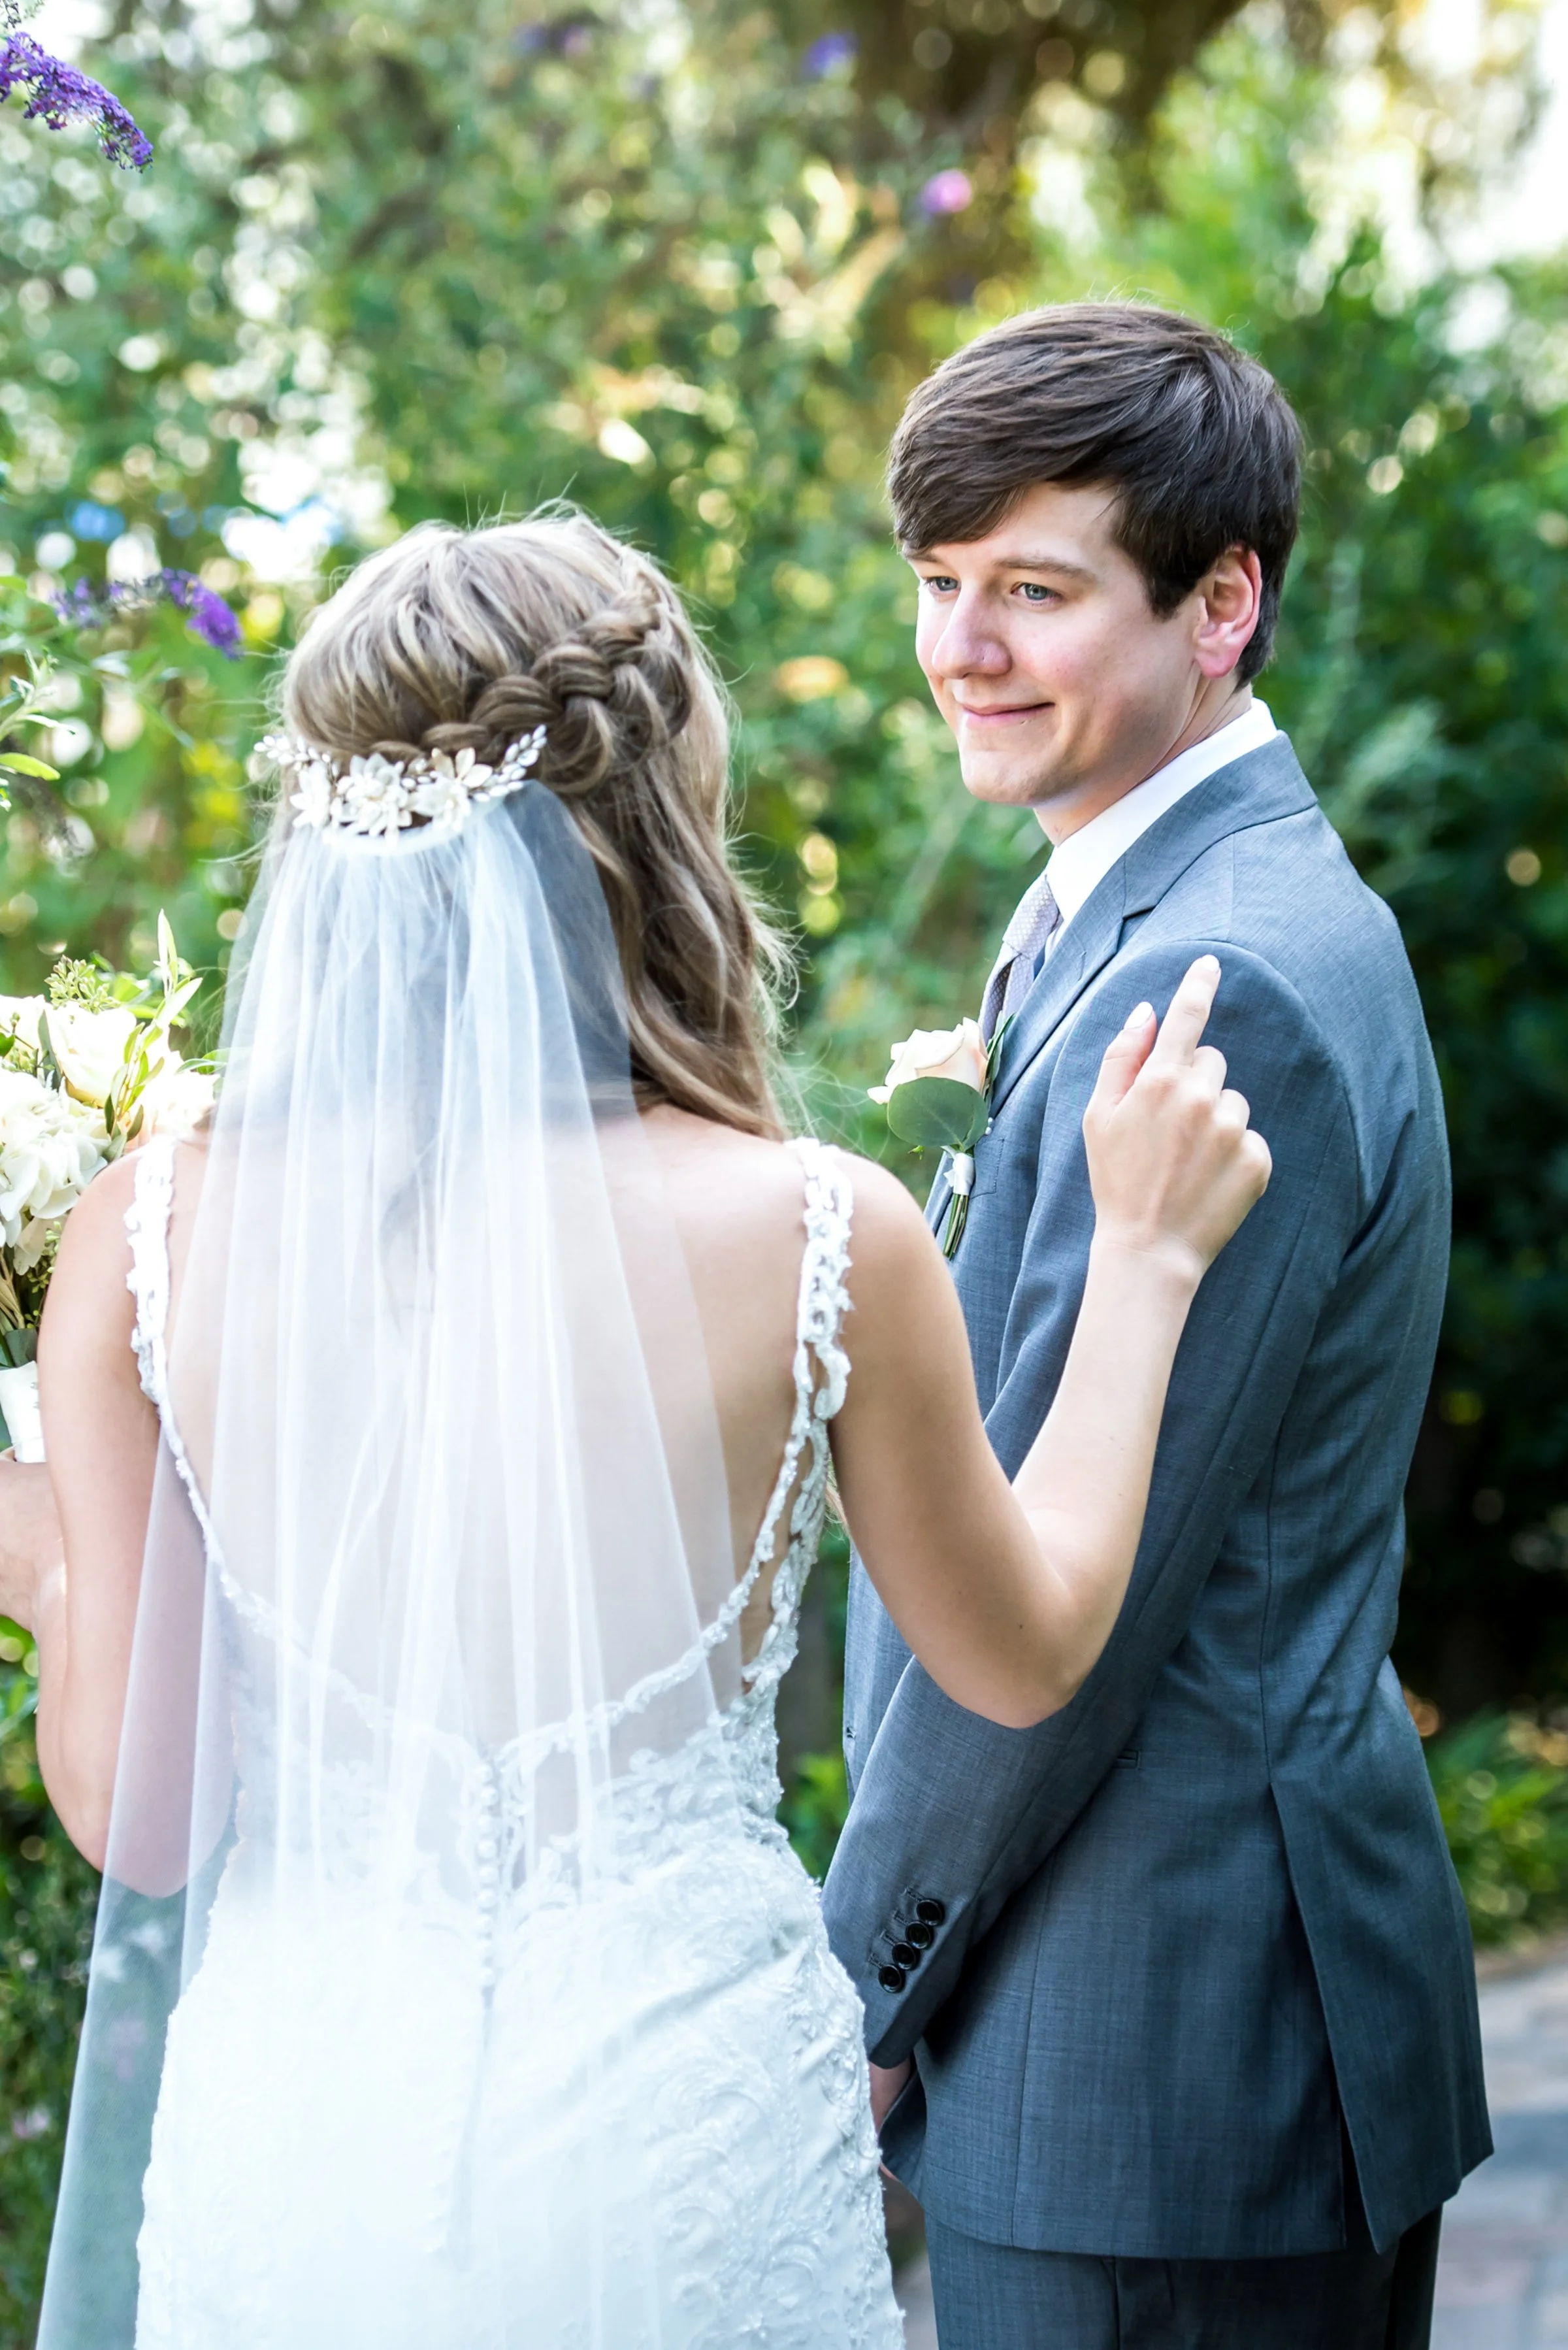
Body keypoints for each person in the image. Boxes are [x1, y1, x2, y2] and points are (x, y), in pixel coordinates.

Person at [0, 513, 1266, 2350]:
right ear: (658, 817)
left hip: (302, 2137)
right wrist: (1144, 1261)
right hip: (684, 2139)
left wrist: (35, 1539)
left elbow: (148, 1812)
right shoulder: (817, 1231)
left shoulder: (154, 1232)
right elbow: (1027, 1646)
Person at [821, 301, 1491, 2350]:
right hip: (1191, 2028)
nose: (963, 648)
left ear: (1224, 604)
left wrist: (849, 1987)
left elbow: (1052, 1618)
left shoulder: (1214, 990)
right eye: (941, 585)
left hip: (1152, 2053)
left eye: (1034, 589)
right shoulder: (1208, 906)